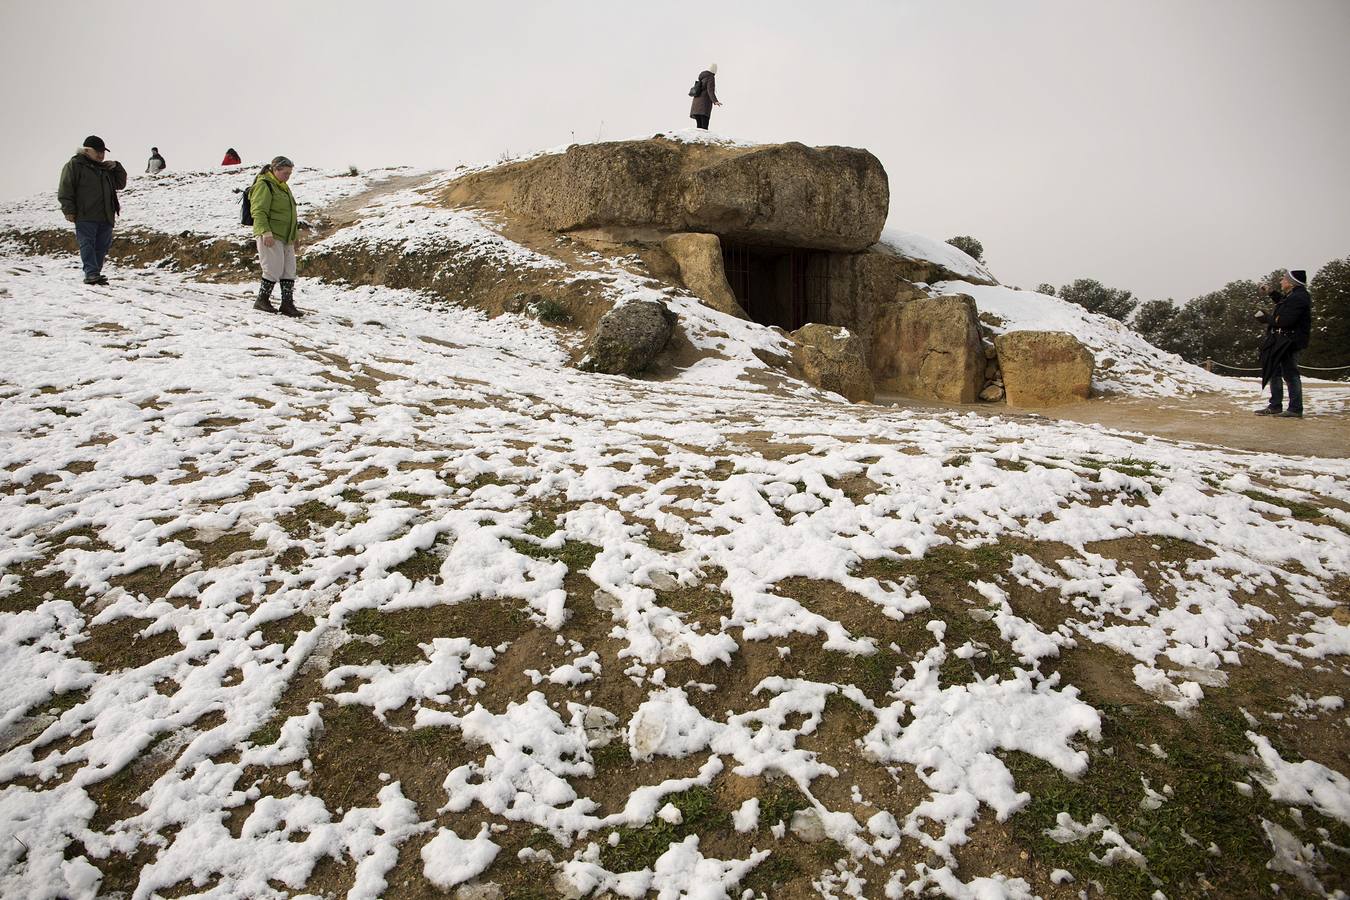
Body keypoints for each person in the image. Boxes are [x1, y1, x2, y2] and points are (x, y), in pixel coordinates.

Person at [57, 136, 128, 286]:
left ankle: (95, 273)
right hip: (85, 215)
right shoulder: (74, 165)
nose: (101, 155)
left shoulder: (105, 169)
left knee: (102, 246)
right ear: (87, 150)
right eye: (98, 152)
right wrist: (68, 210)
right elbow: (65, 188)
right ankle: (91, 273)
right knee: (87, 244)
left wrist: (116, 166)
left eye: (103, 152)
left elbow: (121, 184)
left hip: (106, 215)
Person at [248, 156, 302, 317]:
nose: (288, 177)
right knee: (273, 268)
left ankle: (287, 304)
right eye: (285, 173)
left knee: (289, 269)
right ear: (275, 170)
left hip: (286, 235)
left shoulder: (283, 186)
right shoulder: (264, 185)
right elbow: (258, 211)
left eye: (290, 174)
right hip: (271, 234)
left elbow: (290, 213)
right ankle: (262, 300)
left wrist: (294, 235)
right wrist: (266, 232)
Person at [1254, 269, 1312, 418]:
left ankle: (1295, 409)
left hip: (1290, 342)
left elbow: (1286, 321)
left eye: (1284, 279)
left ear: (1291, 283)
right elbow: (1283, 302)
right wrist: (1271, 292)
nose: (1281, 281)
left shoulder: (1299, 297)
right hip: (1282, 341)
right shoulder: (1294, 295)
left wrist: (1266, 318)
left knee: (1290, 374)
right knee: (1275, 372)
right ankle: (1275, 406)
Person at [689, 63, 721, 130]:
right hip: (704, 106)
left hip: (696, 105)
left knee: (699, 127)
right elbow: (710, 91)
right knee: (704, 128)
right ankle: (703, 140)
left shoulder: (702, 77)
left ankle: (699, 140)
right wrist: (715, 101)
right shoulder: (710, 77)